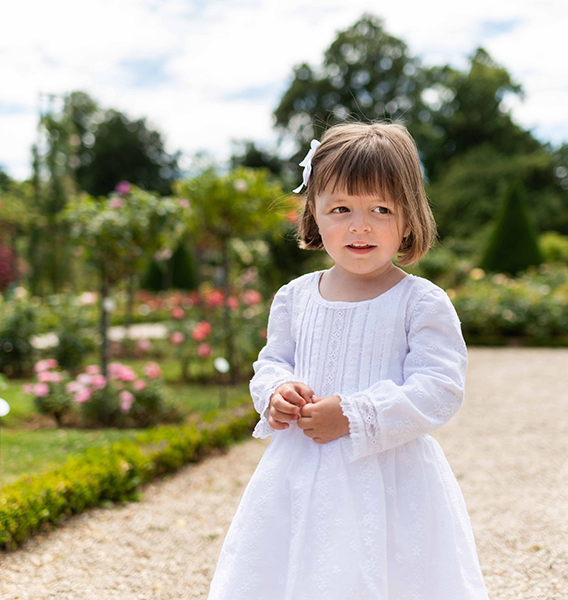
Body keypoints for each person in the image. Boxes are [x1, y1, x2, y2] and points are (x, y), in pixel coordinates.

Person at [207, 122, 490, 599]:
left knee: (382, 575)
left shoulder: (420, 302)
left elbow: (439, 388)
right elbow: (271, 362)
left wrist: (356, 414)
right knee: (294, 572)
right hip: (297, 472)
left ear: (408, 219)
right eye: (341, 208)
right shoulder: (295, 297)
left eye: (381, 209)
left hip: (389, 479)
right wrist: (276, 392)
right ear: (313, 215)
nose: (360, 225)